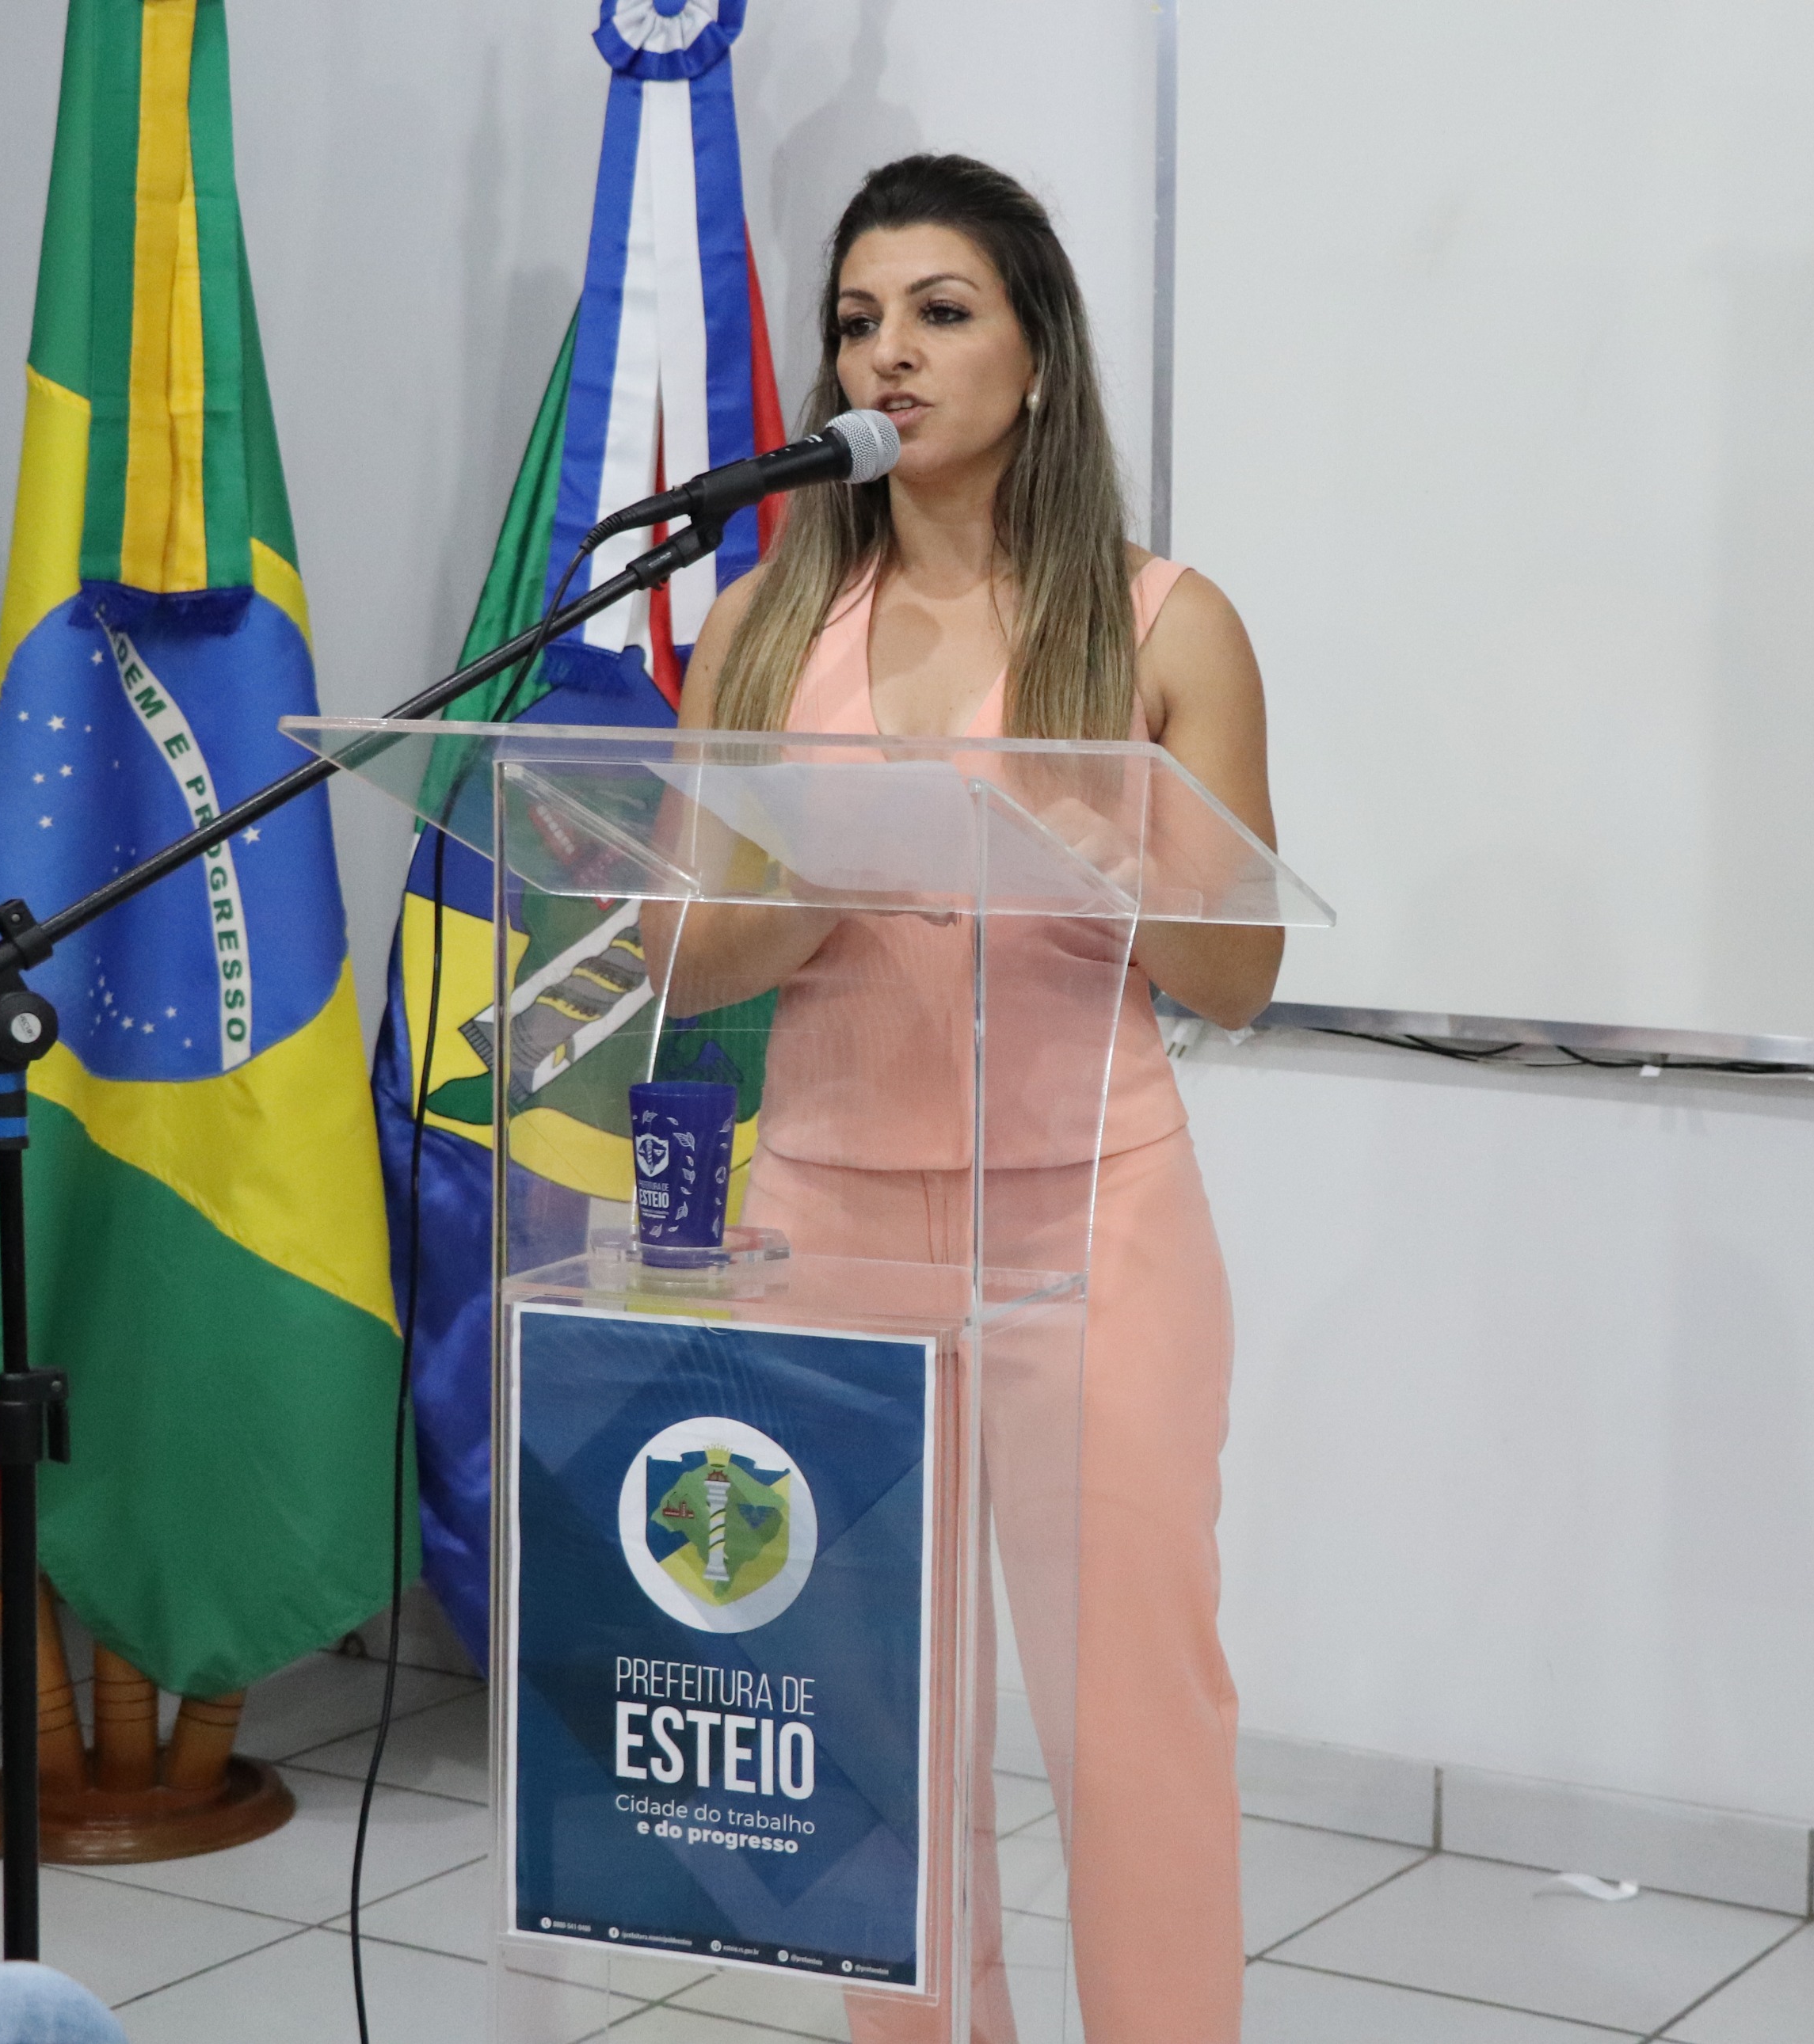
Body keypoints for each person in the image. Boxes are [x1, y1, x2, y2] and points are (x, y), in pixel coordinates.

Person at [660, 153, 1279, 2043]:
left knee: (1130, 1720)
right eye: (860, 321)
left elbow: (1240, 976)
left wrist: (1117, 857)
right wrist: (810, 886)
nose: (892, 355)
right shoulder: (767, 625)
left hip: (1094, 1224)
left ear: (1039, 354)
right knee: (863, 1728)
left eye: (941, 313)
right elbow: (684, 958)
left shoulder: (1162, 623)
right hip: (830, 1225)